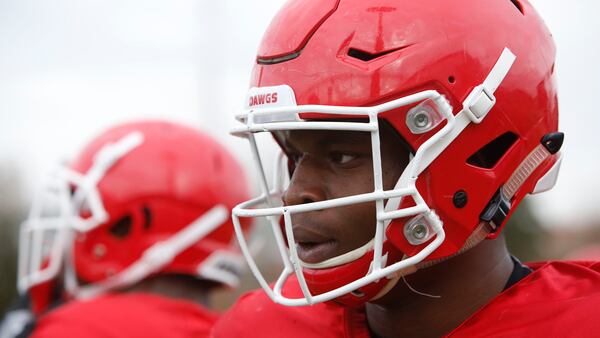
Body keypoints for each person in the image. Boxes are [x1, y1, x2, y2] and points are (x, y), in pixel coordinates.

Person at [212, 0, 600, 336]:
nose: (296, 192)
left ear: (480, 157)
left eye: (342, 156)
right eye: (295, 158)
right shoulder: (260, 328)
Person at [1, 120, 250, 338]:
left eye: (86, 210)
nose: (73, 229)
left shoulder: (75, 329)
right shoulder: (244, 327)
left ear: (130, 223)